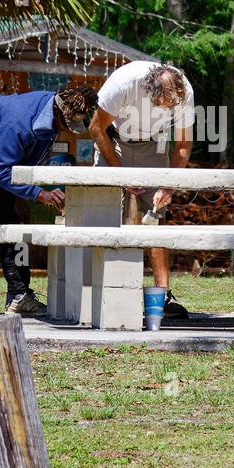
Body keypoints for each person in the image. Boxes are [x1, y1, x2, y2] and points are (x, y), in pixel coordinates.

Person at [0, 85, 98, 319]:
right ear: (57, 113)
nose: (65, 131)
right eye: (65, 125)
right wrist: (38, 194)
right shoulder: (20, 123)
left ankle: (19, 296)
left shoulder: (51, 118)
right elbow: (1, 172)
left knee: (10, 221)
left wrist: (24, 194)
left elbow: (20, 167)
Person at [88, 61, 194, 319]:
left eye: (172, 104)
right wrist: (120, 174)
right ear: (148, 89)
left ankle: (163, 295)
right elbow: (95, 128)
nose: (167, 108)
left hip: (155, 144)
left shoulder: (185, 92)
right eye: (163, 103)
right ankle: (100, 290)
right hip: (114, 141)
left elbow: (182, 144)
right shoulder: (123, 83)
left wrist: (169, 184)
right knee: (105, 214)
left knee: (155, 220)